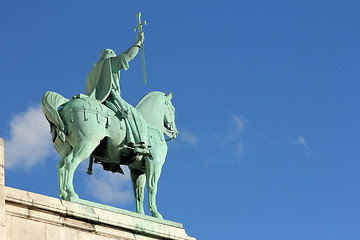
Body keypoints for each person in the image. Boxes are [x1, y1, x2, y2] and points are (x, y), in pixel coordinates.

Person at [85, 32, 150, 156]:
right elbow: (128, 56)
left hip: (94, 100)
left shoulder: (92, 71)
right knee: (134, 115)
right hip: (111, 98)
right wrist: (138, 42)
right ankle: (137, 144)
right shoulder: (109, 63)